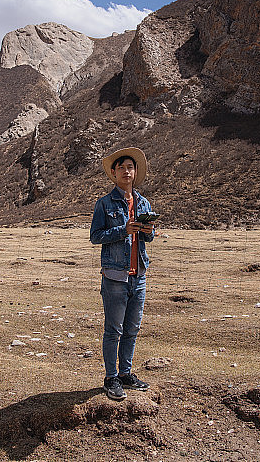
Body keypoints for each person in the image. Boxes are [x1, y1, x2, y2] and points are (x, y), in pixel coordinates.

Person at [90, 147, 155, 401]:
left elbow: (148, 238)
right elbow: (96, 236)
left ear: (135, 172)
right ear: (114, 173)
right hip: (115, 276)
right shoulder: (104, 204)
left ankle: (126, 374)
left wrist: (148, 231)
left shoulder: (143, 203)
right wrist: (123, 230)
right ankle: (111, 378)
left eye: (130, 167)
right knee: (113, 330)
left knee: (132, 329)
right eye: (122, 168)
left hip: (139, 275)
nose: (127, 172)